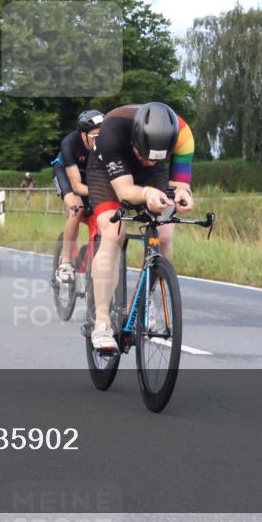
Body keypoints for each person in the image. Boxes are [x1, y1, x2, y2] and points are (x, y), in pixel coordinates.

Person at [86, 103, 194, 350]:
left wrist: (183, 194)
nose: (147, 161)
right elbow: (125, 191)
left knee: (165, 234)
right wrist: (146, 194)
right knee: (114, 232)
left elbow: (181, 184)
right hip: (107, 172)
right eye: (143, 155)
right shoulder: (112, 133)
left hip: (154, 175)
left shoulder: (183, 135)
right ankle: (101, 321)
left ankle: (143, 302)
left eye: (154, 157)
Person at [52, 109, 104, 283]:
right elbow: (76, 186)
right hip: (66, 174)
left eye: (102, 136)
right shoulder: (70, 143)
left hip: (89, 177)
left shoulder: (106, 145)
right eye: (95, 137)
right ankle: (65, 262)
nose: (100, 142)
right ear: (83, 135)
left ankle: (89, 258)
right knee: (77, 208)